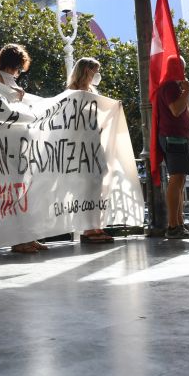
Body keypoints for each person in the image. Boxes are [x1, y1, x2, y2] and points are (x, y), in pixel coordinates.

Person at [0, 44, 47, 253]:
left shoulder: (12, 81)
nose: (21, 70)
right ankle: (17, 239)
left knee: (23, 191)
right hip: (5, 144)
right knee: (12, 191)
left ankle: (27, 235)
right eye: (20, 65)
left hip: (18, 143)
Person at [155, 55, 189, 240]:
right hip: (173, 137)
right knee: (176, 179)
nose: (183, 70)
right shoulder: (169, 86)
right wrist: (187, 93)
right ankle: (173, 225)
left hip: (178, 137)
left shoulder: (173, 86)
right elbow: (176, 110)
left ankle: (179, 222)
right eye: (181, 67)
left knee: (180, 180)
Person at [68, 58, 115, 244]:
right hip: (81, 145)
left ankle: (95, 225)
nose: (98, 75)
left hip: (94, 143)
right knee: (87, 186)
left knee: (97, 184)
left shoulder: (92, 92)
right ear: (87, 71)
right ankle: (88, 228)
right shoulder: (72, 93)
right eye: (95, 70)